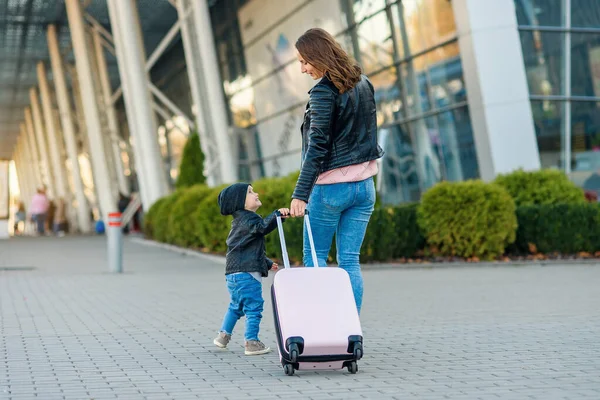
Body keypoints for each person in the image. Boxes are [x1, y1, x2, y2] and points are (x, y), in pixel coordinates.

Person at [289, 28, 384, 314]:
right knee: (350, 261)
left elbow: (317, 145)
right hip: (365, 186)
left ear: (319, 56)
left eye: (305, 61)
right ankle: (350, 329)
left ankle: (325, 326)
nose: (303, 68)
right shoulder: (364, 83)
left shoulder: (323, 92)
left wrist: (300, 194)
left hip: (331, 188)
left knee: (315, 257)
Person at [213, 182, 290, 355]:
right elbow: (262, 228)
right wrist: (277, 215)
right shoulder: (250, 219)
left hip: (233, 274)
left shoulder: (238, 222)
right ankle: (251, 342)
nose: (255, 193)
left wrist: (267, 263)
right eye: (250, 192)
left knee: (236, 306)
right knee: (254, 307)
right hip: (248, 275)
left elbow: (246, 250)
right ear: (240, 202)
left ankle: (223, 336)